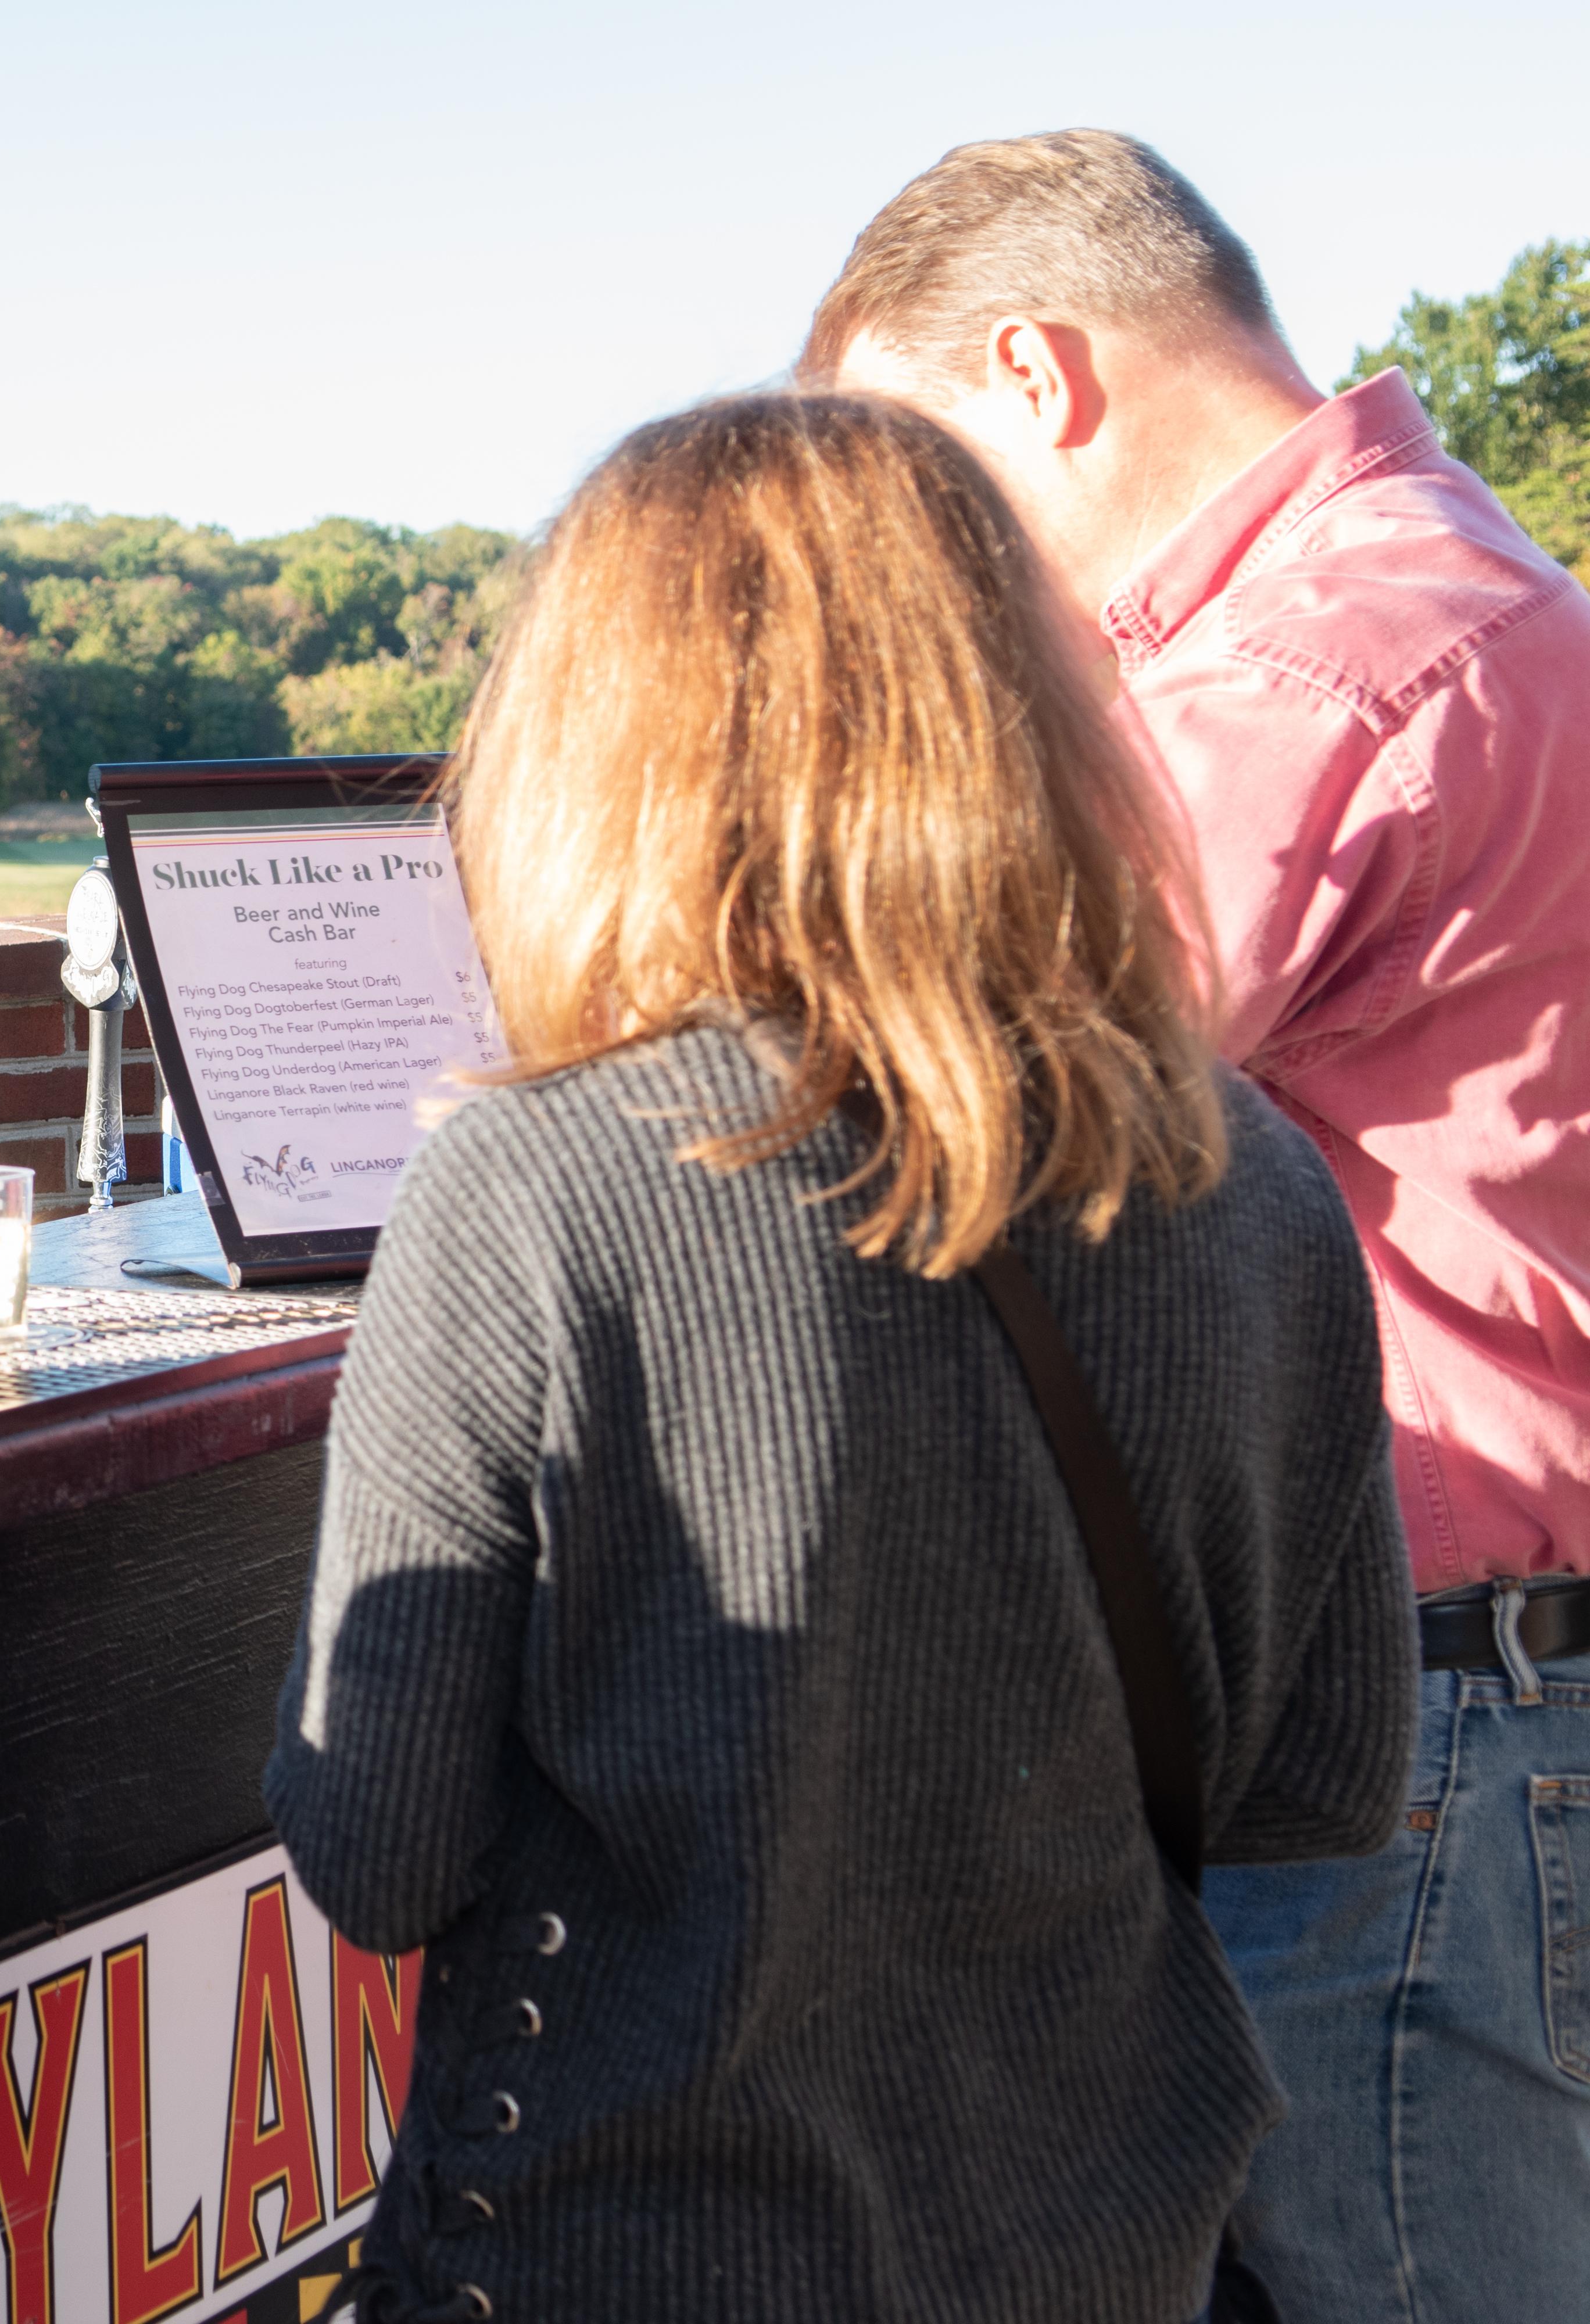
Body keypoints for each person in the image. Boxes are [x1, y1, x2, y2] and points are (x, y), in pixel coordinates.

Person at [264, 393, 1416, 2324]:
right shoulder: (1252, 1177)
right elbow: (1324, 1781)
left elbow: (376, 1851)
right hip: (1105, 2241)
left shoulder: (541, 1190)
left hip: (629, 2243)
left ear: (589, 751)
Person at [800, 132, 1590, 2319]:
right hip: (1476, 1725)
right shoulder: (1458, 589)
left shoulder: (1309, 672)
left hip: (1415, 1737)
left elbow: (962, 1110)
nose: (931, 574)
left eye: (928, 482)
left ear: (1041, 373)